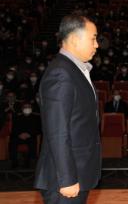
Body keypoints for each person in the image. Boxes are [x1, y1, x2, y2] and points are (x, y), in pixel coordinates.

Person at [34, 14, 101, 204]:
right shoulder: (61, 73)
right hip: (64, 179)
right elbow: (57, 131)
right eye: (93, 38)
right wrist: (68, 178)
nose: (97, 45)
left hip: (78, 172)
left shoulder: (74, 70)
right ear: (73, 39)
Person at [9, 102, 41, 168]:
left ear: (31, 108)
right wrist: (19, 135)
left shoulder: (36, 118)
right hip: (19, 137)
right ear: (22, 108)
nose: (27, 108)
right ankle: (14, 162)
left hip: (30, 137)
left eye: (28, 107)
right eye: (25, 107)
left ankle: (28, 163)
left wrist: (29, 134)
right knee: (13, 141)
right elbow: (13, 129)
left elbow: (38, 129)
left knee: (32, 142)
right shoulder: (17, 118)